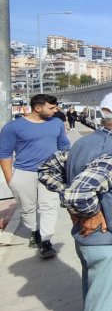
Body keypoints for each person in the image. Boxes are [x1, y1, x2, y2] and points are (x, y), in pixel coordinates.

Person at [38, 92, 112, 311]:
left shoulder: (83, 143)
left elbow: (46, 169)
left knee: (97, 300)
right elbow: (79, 194)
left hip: (92, 242)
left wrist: (70, 200)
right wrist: (90, 213)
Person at [0, 94, 69, 259]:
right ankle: (34, 231)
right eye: (51, 108)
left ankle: (46, 241)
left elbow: (64, 146)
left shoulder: (57, 123)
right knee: (27, 207)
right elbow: (5, 154)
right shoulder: (13, 127)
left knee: (49, 206)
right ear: (38, 108)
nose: (56, 110)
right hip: (24, 172)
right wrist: (11, 179)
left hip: (51, 172)